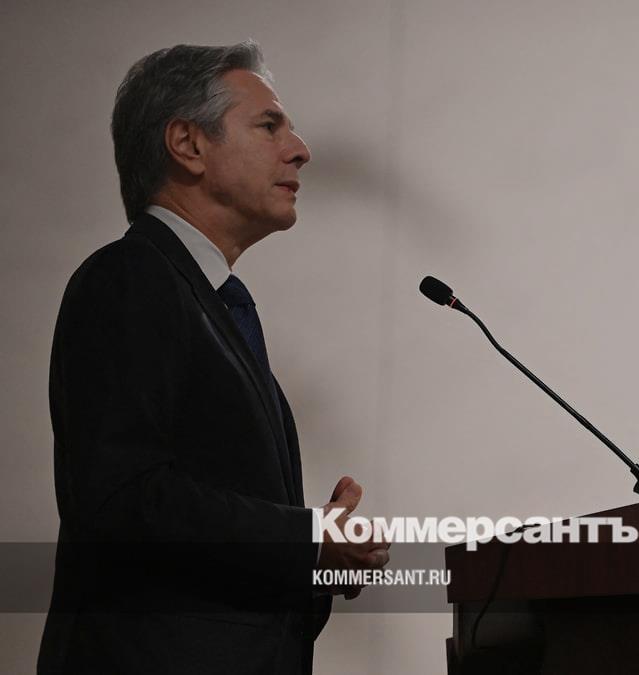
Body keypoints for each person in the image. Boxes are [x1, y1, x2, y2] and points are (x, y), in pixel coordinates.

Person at [37, 41, 388, 674]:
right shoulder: (127, 278)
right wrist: (306, 538)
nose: (300, 149)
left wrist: (321, 563)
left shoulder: (207, 299)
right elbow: (123, 501)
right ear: (188, 145)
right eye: (269, 125)